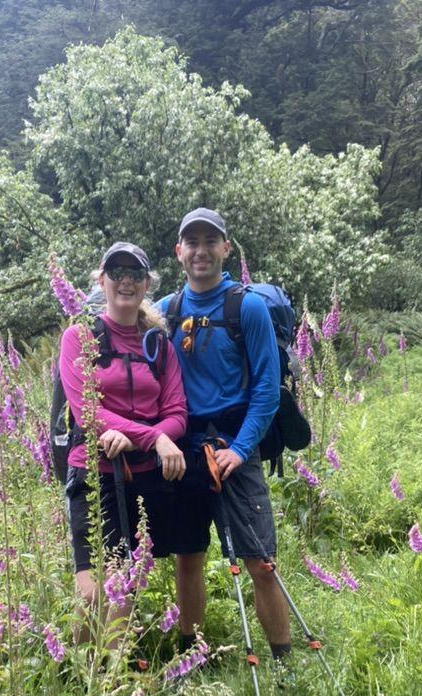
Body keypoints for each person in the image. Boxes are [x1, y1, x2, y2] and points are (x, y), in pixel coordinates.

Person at [158, 208, 293, 667]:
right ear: (179, 252)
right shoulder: (166, 312)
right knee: (188, 557)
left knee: (261, 563)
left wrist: (240, 450)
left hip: (235, 448)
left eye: (210, 241)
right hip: (184, 452)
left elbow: (267, 391)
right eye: (192, 243)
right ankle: (191, 658)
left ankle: (283, 664)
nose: (201, 251)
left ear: (225, 248)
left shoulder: (246, 307)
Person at [59, 242, 188, 634]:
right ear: (102, 281)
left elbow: (177, 413)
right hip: (94, 473)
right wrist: (154, 437)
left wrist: (139, 440)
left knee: (123, 587)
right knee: (93, 593)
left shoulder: (158, 345)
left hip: (144, 477)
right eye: (117, 273)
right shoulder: (79, 337)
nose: (126, 281)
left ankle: (112, 669)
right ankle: (80, 664)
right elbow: (88, 411)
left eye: (135, 274)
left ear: (147, 284)